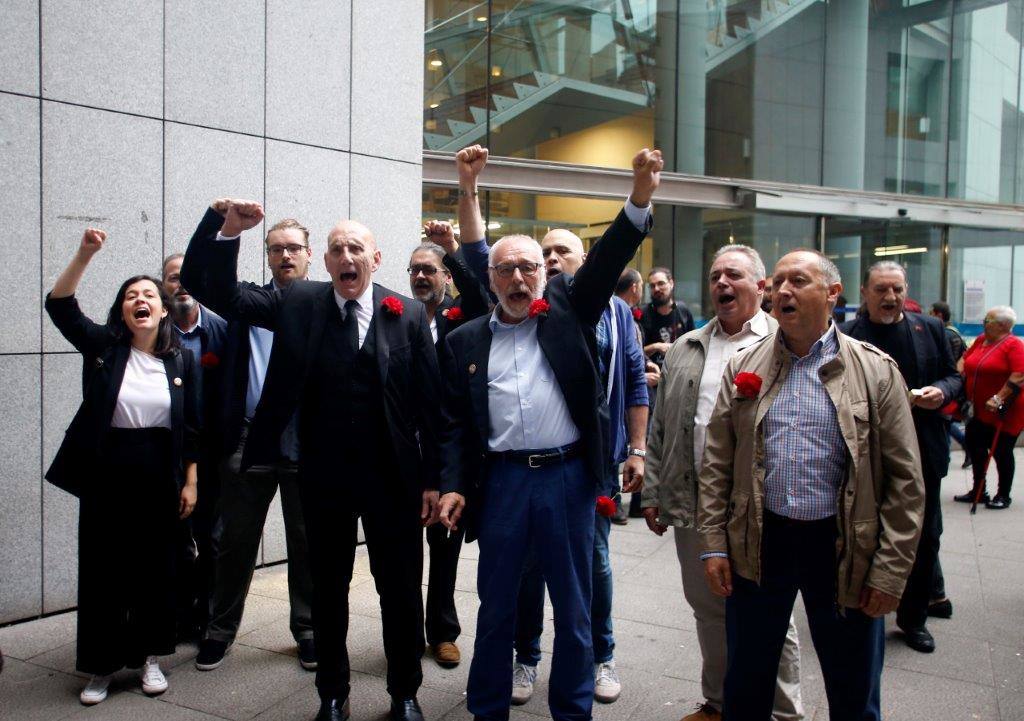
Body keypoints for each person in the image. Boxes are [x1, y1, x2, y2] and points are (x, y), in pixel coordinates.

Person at [183, 200, 443, 721]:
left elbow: (431, 406)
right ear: (324, 262)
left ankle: (404, 693)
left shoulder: (408, 313)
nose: (345, 256)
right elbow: (209, 287)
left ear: (375, 257)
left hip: (392, 478)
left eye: (355, 248)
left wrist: (435, 480)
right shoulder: (299, 303)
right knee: (328, 590)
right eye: (335, 249)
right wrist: (224, 229)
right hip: (322, 476)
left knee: (399, 589)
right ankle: (332, 694)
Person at [436, 148, 661, 721]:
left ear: (547, 273)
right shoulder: (466, 342)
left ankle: (572, 710)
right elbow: (456, 425)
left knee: (575, 607)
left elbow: (611, 255)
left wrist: (639, 195)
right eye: (505, 269)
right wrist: (454, 484)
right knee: (497, 609)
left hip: (568, 479)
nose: (517, 277)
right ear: (490, 280)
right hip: (504, 483)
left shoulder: (571, 305)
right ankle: (487, 709)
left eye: (528, 268)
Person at [698, 249, 924, 721]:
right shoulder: (746, 364)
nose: (782, 291)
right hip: (761, 540)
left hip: (843, 544)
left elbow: (906, 484)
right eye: (777, 281)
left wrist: (889, 572)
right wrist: (714, 544)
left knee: (853, 684)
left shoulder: (877, 371)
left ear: (833, 294)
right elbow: (717, 461)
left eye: (797, 281)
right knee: (747, 680)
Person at [642, 244, 803, 721]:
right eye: (715, 276)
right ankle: (719, 703)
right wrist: (653, 490)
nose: (721, 284)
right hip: (695, 507)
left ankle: (784, 712)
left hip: (763, 507)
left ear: (761, 286)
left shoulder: (787, 343)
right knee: (708, 609)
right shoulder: (689, 347)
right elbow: (662, 428)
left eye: (733, 275)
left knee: (773, 618)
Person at [45, 228, 200, 706]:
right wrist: (85, 254)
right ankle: (101, 666)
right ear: (123, 311)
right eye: (131, 296)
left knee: (156, 568)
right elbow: (60, 305)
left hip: (160, 472)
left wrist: (191, 482)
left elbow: (192, 425)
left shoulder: (181, 360)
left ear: (162, 308)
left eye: (149, 295)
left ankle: (150, 658)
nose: (141, 300)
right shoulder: (103, 348)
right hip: (107, 471)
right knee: (104, 569)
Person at [181, 212, 317, 672]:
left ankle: (309, 629)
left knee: (305, 540)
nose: (284, 255)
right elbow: (208, 281)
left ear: (309, 255)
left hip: (306, 437)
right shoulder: (249, 302)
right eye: (276, 248)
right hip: (249, 434)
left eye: (292, 248)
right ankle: (219, 631)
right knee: (233, 541)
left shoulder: (324, 303)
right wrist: (226, 229)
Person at [840, 261, 962, 654]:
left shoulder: (931, 330)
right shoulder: (847, 335)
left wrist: (941, 391)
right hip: (865, 453)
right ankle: (859, 603)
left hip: (922, 449)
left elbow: (954, 376)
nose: (890, 297)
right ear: (865, 292)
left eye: (896, 289)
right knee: (862, 531)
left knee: (924, 537)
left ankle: (914, 619)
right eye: (881, 289)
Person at [411, 220, 490, 669]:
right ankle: (403, 629)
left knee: (444, 546)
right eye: (415, 270)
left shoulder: (463, 313)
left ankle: (442, 632)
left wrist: (452, 248)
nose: (421, 277)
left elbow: (480, 297)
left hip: (445, 450)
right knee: (402, 551)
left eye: (430, 270)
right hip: (404, 451)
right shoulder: (396, 312)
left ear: (445, 277)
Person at [161, 253, 228, 640]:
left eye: (189, 276)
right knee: (172, 539)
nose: (182, 284)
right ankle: (176, 610)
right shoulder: (154, 332)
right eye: (174, 278)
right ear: (164, 286)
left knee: (212, 538)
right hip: (167, 452)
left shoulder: (222, 329)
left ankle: (208, 612)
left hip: (212, 453)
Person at [954, 305, 1024, 510]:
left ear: (1002, 325)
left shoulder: (1013, 345)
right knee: (975, 446)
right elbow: (965, 360)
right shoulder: (980, 340)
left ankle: (1003, 494)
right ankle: (978, 490)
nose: (984, 323)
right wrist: (957, 374)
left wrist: (999, 397)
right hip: (978, 408)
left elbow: (1020, 374)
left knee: (1002, 451)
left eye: (988, 320)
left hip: (1005, 410)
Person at [640, 267, 694, 367]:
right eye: (652, 286)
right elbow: (634, 352)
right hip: (653, 376)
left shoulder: (683, 310)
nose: (656, 289)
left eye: (661, 283)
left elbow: (694, 346)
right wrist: (656, 347)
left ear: (671, 283)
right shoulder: (642, 313)